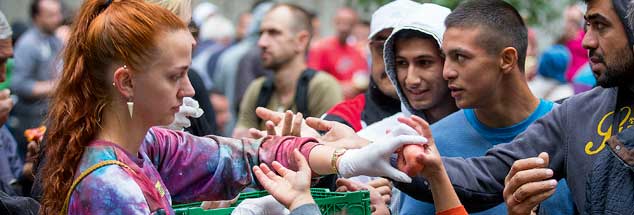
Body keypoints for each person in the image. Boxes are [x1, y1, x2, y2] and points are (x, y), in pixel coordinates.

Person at [38, 1, 425, 214]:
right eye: (175, 76)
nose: (189, 89)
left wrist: (345, 159)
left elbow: (242, 156)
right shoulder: (112, 187)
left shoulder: (147, 145)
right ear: (125, 82)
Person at [388, 0, 634, 214]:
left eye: (600, 25)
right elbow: (483, 177)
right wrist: (380, 154)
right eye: (586, 26)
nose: (587, 41)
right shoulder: (577, 115)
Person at [233, 3, 342, 138]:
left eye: (274, 33)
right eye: (261, 33)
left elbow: (331, 148)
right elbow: (240, 144)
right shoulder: (258, 88)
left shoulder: (322, 87)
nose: (262, 42)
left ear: (301, 41)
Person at [321, 0, 405, 132]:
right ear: (371, 47)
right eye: (382, 47)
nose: (392, 62)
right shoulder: (340, 121)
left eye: (422, 61)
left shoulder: (356, 51)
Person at [9, 0, 63, 160]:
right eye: (51, 15)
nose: (58, 19)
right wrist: (54, 86)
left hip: (50, 117)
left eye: (58, 13)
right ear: (37, 17)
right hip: (30, 121)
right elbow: (18, 84)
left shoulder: (55, 40)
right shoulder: (28, 44)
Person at [308, 7, 368, 99]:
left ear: (355, 25)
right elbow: (311, 79)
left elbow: (362, 77)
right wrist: (338, 87)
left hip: (353, 105)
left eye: (349, 23)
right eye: (340, 22)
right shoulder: (320, 48)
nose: (344, 27)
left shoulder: (357, 51)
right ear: (334, 22)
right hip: (330, 102)